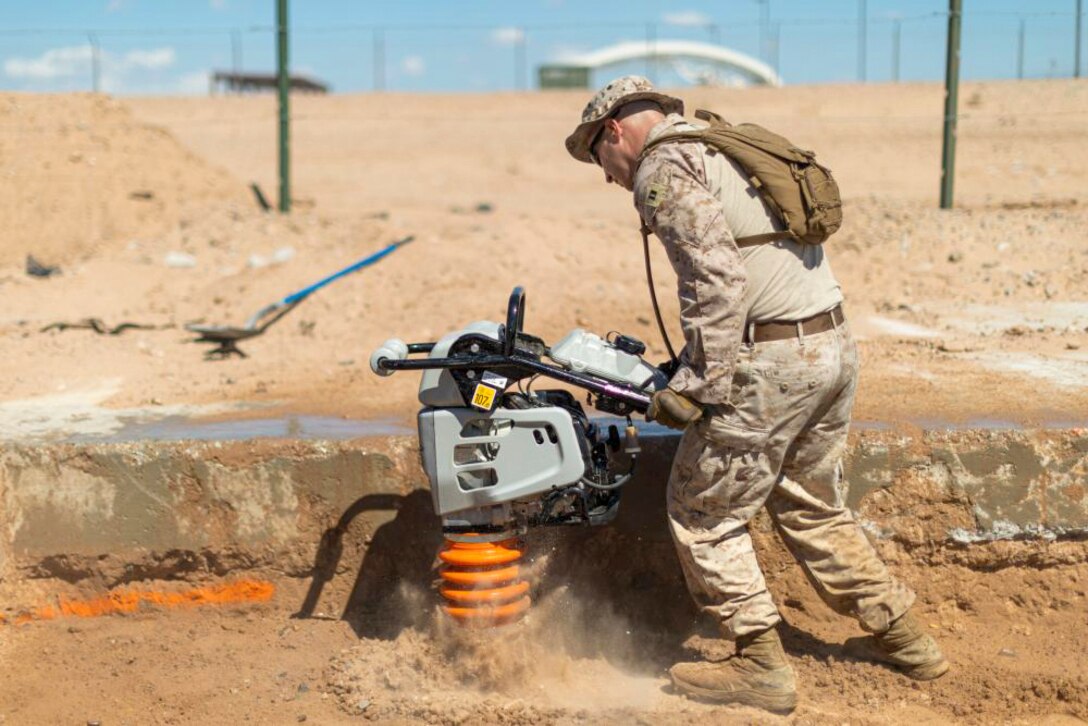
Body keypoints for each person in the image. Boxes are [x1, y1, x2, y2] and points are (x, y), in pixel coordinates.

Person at [565, 76, 948, 714]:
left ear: (613, 131)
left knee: (703, 511)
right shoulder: (725, 148)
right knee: (811, 504)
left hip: (767, 364)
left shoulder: (663, 167)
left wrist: (698, 386)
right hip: (830, 348)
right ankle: (907, 640)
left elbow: (715, 278)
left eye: (598, 159)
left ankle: (758, 665)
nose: (607, 177)